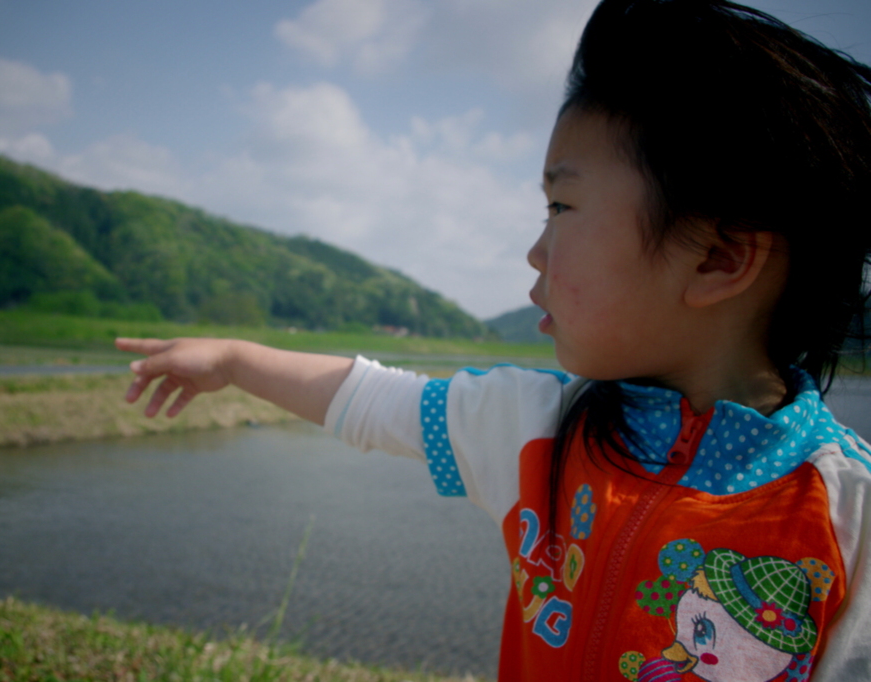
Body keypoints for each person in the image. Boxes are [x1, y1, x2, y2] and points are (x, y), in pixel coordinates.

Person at [116, 1, 871, 679]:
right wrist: (234, 359)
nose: (535, 252)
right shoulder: (533, 430)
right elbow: (376, 399)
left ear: (720, 258)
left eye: (561, 205)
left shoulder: (850, 513)